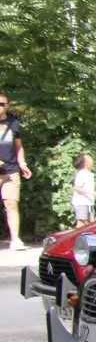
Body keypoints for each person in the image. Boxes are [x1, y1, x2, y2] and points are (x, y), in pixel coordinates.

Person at [0, 92, 30, 250]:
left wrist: (22, 163)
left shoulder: (13, 124)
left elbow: (18, 147)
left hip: (10, 169)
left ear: (7, 105)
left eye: (2, 104)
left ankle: (15, 239)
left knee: (11, 204)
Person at [71, 153, 96, 227]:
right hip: (81, 203)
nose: (92, 159)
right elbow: (76, 187)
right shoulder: (82, 174)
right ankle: (75, 238)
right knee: (81, 223)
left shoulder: (88, 174)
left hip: (88, 203)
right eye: (89, 158)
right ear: (86, 163)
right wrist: (90, 192)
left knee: (93, 222)